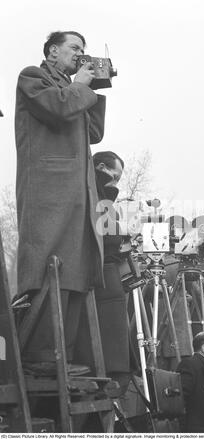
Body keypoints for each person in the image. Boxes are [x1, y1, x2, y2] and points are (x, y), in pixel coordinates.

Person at [15, 31, 106, 374]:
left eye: (84, 50)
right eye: (74, 48)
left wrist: (94, 87)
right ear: (53, 51)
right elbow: (58, 108)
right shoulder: (33, 77)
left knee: (75, 265)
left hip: (76, 192)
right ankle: (40, 352)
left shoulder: (74, 89)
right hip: (48, 190)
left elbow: (94, 132)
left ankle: (61, 353)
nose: (81, 54)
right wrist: (81, 84)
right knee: (47, 259)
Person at [75, 151, 132, 391]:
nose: (116, 183)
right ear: (100, 166)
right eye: (115, 176)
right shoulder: (96, 193)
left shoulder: (95, 191)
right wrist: (123, 232)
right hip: (98, 274)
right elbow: (106, 233)